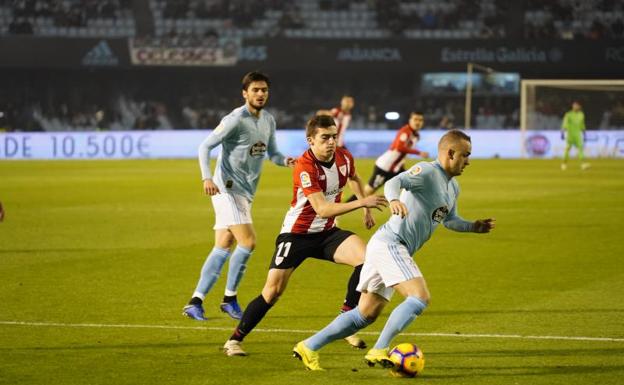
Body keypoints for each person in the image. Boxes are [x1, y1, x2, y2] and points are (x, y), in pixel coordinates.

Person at [291, 129, 496, 371]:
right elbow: (394, 181)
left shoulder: (453, 188)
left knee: (364, 315)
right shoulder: (428, 172)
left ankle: (308, 346)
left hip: (390, 247)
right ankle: (379, 349)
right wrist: (394, 200)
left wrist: (473, 226)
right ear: (450, 153)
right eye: (465, 155)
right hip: (392, 243)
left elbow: (449, 220)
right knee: (419, 297)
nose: (468, 161)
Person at [222, 114, 388, 356]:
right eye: (325, 138)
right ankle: (234, 340)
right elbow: (322, 209)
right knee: (273, 292)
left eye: (333, 136)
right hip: (296, 235)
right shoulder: (304, 165)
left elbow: (354, 177)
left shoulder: (343, 156)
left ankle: (345, 322)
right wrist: (363, 202)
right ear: (311, 140)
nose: (331, 142)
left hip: (326, 233)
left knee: (367, 260)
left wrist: (365, 209)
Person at [182, 71, 296, 321]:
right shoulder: (235, 119)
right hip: (227, 188)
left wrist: (287, 160)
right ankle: (229, 299)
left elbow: (273, 154)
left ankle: (195, 301)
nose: (260, 94)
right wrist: (206, 177)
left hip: (246, 192)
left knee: (223, 244)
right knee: (248, 241)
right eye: (255, 90)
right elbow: (205, 146)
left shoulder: (268, 120)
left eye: (264, 90)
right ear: (245, 93)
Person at [346, 112, 429, 202]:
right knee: (367, 192)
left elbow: (402, 154)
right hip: (385, 167)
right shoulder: (405, 132)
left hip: (396, 168)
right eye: (415, 119)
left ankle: (408, 206)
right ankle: (344, 207)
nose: (418, 122)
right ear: (410, 120)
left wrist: (401, 165)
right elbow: (399, 147)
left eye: (420, 120)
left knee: (412, 183)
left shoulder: (416, 136)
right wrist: (419, 153)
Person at [561, 101, 589, 170]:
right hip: (570, 135)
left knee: (580, 149)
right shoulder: (568, 114)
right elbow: (565, 123)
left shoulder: (581, 114)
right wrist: (562, 133)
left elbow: (582, 125)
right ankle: (564, 164)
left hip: (578, 135)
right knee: (568, 149)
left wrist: (584, 134)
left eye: (577, 106)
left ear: (579, 107)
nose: (575, 107)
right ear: (572, 106)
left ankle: (583, 164)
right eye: (574, 105)